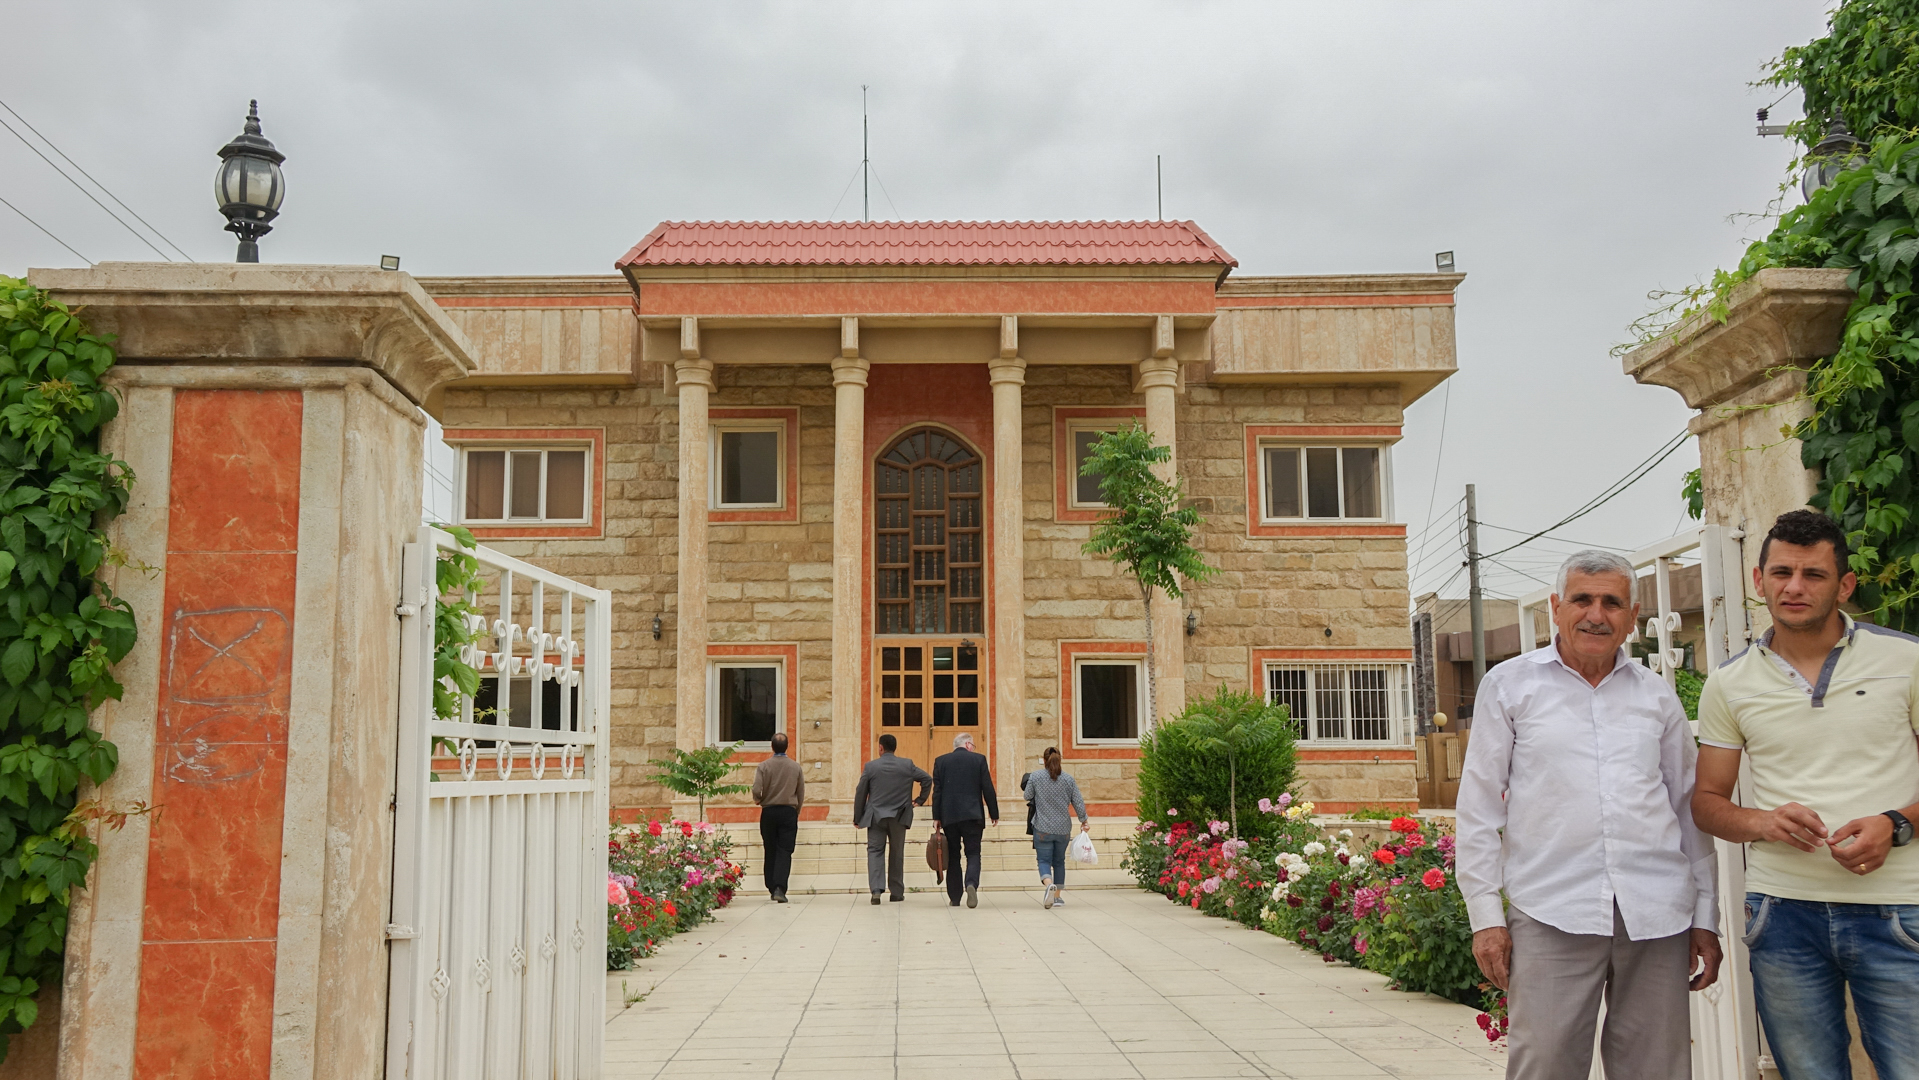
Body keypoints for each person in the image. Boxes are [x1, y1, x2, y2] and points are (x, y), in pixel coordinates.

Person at [1457, 549, 1721, 1080]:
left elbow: (1687, 810)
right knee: (1545, 1066)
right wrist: (1486, 917)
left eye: (1611, 602)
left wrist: (1705, 916)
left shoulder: (1657, 697)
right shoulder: (1510, 687)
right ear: (1557, 607)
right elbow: (1479, 809)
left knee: (1658, 1070)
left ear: (1632, 614)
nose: (1596, 614)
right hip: (1552, 909)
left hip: (1657, 914)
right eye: (1582, 600)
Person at [1692, 510, 1919, 1079]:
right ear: (1758, 580)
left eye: (1814, 575)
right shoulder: (1728, 683)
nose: (1794, 587)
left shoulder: (1907, 661)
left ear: (1844, 585)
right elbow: (1707, 800)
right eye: (1782, 572)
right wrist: (1765, 823)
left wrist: (1896, 823)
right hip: (1783, 914)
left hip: (1900, 909)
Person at [852, 733, 932, 905]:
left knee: (875, 851)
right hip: (899, 816)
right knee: (897, 853)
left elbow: (861, 792)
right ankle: (896, 892)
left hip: (875, 817)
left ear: (880, 747)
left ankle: (876, 890)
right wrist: (919, 800)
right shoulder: (907, 765)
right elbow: (927, 779)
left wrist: (858, 817)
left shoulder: (871, 767)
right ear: (894, 747)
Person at [930, 732, 998, 908]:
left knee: (953, 855)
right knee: (973, 853)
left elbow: (937, 792)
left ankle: (955, 897)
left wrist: (936, 817)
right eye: (973, 745)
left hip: (950, 816)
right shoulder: (979, 760)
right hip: (973, 815)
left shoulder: (941, 761)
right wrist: (993, 812)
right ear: (968, 744)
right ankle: (971, 884)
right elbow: (987, 788)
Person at [1022, 747, 1087, 909]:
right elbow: (1078, 801)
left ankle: (1048, 884)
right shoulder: (1068, 779)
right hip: (1063, 828)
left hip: (1042, 827)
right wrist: (1084, 820)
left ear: (1044, 760)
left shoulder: (1036, 777)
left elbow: (1027, 796)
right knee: (1059, 862)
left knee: (1043, 860)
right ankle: (1057, 896)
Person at [750, 732, 803, 903]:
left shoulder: (764, 766)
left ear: (772, 747)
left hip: (769, 811)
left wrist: (759, 799)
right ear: (787, 746)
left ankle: (771, 886)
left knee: (770, 848)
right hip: (788, 811)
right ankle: (781, 887)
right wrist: (797, 810)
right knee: (785, 851)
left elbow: (757, 789)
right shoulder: (795, 767)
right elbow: (800, 792)